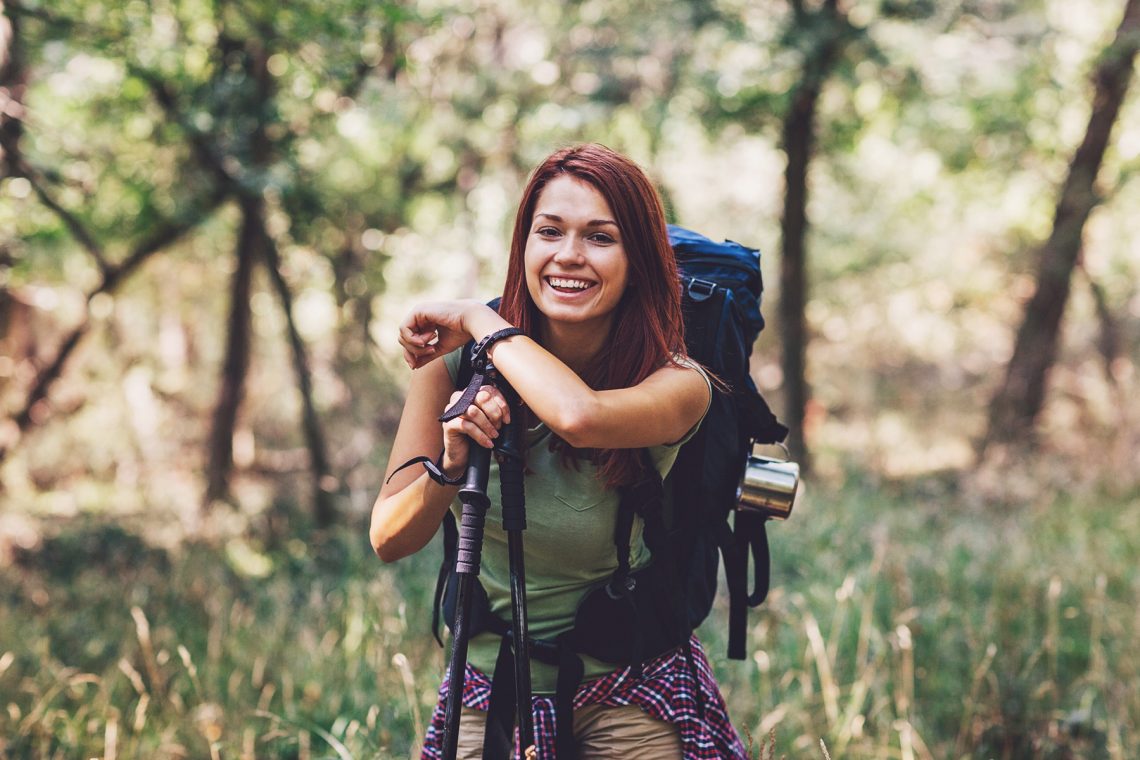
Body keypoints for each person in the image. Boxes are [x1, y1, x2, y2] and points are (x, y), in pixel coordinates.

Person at [371, 144, 748, 759]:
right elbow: (388, 539)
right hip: (490, 686)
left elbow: (578, 417)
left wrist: (477, 318)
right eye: (549, 231)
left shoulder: (679, 382)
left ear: (639, 260)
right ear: (524, 245)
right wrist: (452, 465)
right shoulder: (453, 365)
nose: (569, 255)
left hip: (632, 685)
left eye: (601, 238)